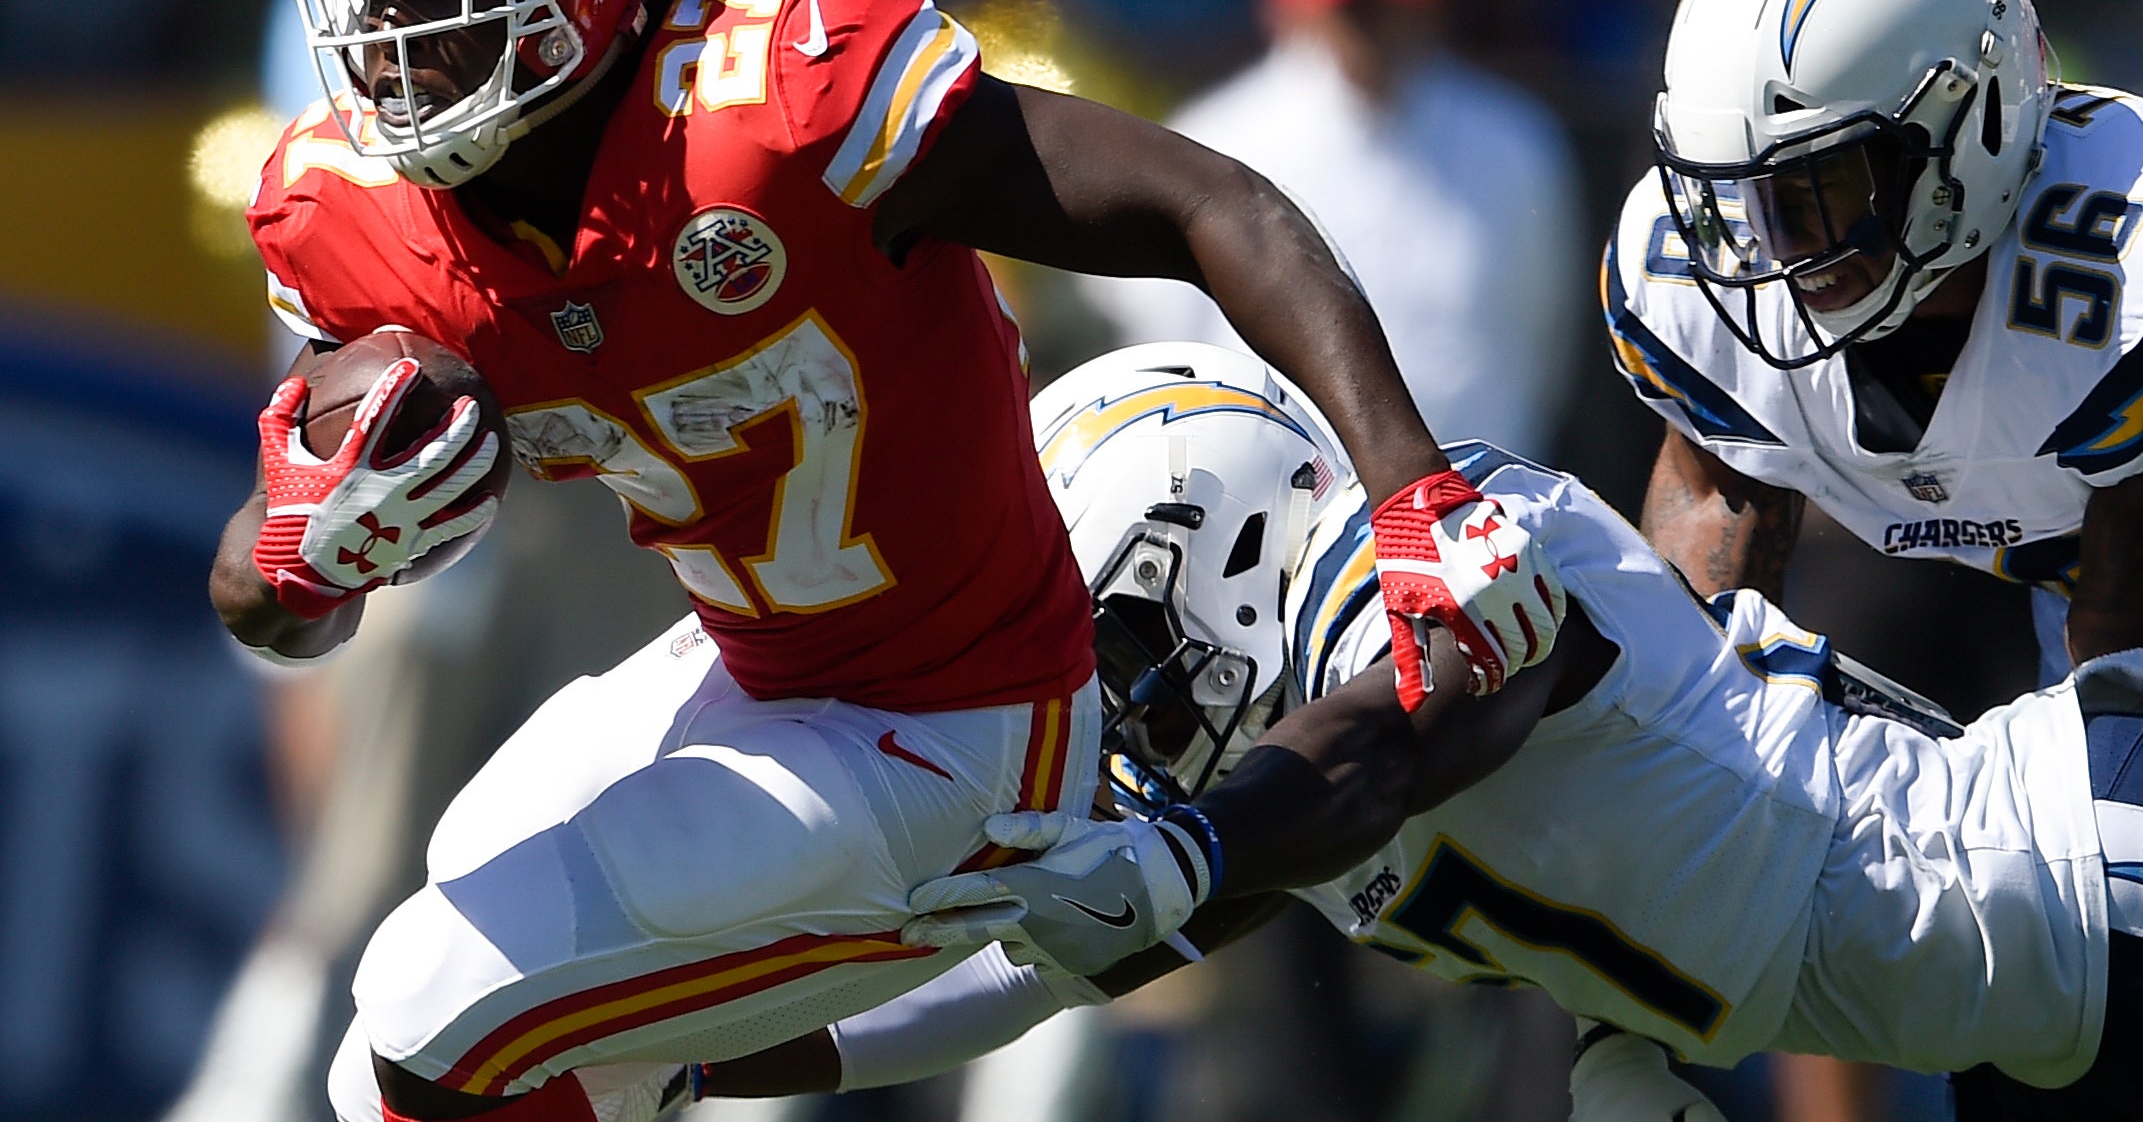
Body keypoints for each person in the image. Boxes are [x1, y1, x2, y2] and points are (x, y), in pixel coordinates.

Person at [206, 0, 1563, 1122]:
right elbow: (265, 600)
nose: (392, 36)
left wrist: (1410, 485)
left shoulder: (782, 94)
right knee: (394, 1043)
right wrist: (307, 549)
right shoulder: (355, 212)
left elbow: (1206, 202)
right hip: (747, 669)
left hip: (962, 727)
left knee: (434, 998)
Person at [687, 344, 2141, 1121]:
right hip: (2009, 991)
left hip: (2074, 876)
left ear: (1223, 540)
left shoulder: (1445, 568)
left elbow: (1403, 737)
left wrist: (1186, 851)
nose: (1109, 703)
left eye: (1113, 646)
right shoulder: (1277, 785)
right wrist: (666, 1060)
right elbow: (1016, 978)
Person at [1602, 0, 2143, 694]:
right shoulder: (1693, 274)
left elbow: (2116, 666)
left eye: (1818, 185)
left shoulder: (2120, 270)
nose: (1775, 245)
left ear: (1979, 120)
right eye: (1747, 194)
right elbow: (1692, 675)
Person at [1080, 0, 1584, 456]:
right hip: (1277, 500)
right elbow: (1164, 347)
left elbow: (1540, 341)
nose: (1369, 23)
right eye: (1347, 2)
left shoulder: (1514, 141)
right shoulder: (1215, 141)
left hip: (1480, 494)